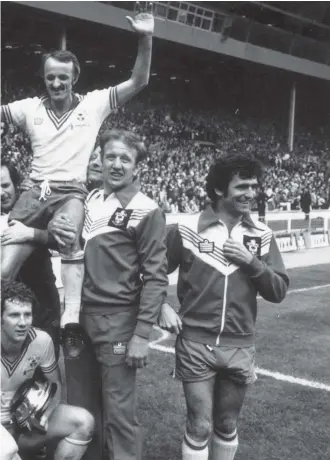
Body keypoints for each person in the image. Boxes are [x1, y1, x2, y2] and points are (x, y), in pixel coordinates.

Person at [1, 1, 155, 332]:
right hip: (33, 191)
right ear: (44, 78)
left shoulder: (94, 104)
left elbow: (138, 81)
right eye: (50, 77)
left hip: (70, 191)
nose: (56, 84)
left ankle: (71, 312)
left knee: (69, 236)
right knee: (2, 272)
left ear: (75, 78)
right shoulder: (29, 108)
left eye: (63, 78)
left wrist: (145, 38)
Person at [159, 153, 289, 460]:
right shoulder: (186, 228)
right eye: (242, 186)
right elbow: (149, 272)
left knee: (227, 423)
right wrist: (160, 306)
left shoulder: (261, 234)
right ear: (219, 189)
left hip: (239, 344)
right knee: (200, 425)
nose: (250, 193)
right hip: (195, 342)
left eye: (254, 186)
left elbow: (279, 290)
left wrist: (251, 262)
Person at [52, 129, 169, 460]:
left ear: (136, 167)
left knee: (118, 413)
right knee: (82, 408)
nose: (117, 164)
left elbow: (156, 277)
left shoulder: (147, 210)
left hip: (117, 323)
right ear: (100, 160)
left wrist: (142, 335)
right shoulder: (88, 200)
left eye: (125, 159)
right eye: (111, 157)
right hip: (77, 319)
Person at [1, 280, 95, 460]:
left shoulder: (41, 341)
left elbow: (55, 384)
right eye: (14, 315)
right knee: (8, 450)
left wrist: (47, 412)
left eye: (27, 315)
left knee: (83, 422)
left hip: (22, 424)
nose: (22, 322)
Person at [0, 160, 61, 358]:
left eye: (5, 185)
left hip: (41, 306)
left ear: (16, 184)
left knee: (43, 372)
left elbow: (67, 241)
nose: (1, 193)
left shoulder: (37, 207)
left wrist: (32, 234)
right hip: (7, 311)